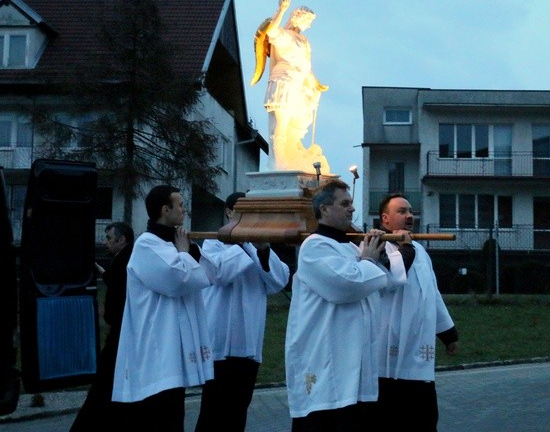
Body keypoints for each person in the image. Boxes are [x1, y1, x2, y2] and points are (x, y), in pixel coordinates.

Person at [285, 179, 396, 432]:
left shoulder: (348, 246)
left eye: (351, 204)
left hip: (355, 361)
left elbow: (385, 282)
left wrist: (375, 255)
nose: (352, 209)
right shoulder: (315, 246)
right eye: (344, 204)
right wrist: (368, 260)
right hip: (327, 360)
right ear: (324, 209)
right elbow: (346, 286)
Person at [112, 185, 219, 431]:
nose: (184, 209)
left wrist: (190, 249)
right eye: (180, 204)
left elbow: (210, 274)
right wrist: (184, 252)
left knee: (174, 414)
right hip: (157, 346)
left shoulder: (176, 241)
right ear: (165, 209)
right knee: (161, 416)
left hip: (175, 345)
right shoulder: (146, 245)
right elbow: (178, 280)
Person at [195, 192, 291, 432]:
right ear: (229, 212)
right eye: (243, 211)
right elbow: (221, 273)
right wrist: (242, 244)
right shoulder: (213, 243)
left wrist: (263, 250)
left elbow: (279, 281)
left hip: (247, 343)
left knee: (238, 410)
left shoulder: (256, 246)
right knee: (213, 412)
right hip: (219, 344)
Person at [375, 193, 459, 432]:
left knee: (425, 420)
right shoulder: (376, 247)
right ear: (386, 219)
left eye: (410, 211)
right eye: (401, 211)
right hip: (387, 350)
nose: (410, 216)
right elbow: (390, 278)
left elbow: (432, 294)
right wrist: (406, 246)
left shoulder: (420, 251)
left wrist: (448, 333)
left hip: (418, 350)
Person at [70, 222, 133, 432]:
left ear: (121, 239)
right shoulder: (123, 260)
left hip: (121, 333)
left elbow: (120, 289)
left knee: (105, 384)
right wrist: (101, 271)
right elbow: (115, 280)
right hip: (120, 332)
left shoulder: (126, 261)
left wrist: (112, 321)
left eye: (108, 238)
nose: (105, 242)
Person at [256, 0, 330, 173]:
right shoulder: (285, 36)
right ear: (299, 18)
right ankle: (278, 162)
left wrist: (315, 83)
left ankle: (292, 150)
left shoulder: (303, 41)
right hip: (284, 81)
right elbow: (271, 31)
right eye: (308, 21)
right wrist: (281, 10)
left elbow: (306, 67)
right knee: (282, 120)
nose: (309, 25)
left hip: (298, 83)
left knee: (303, 118)